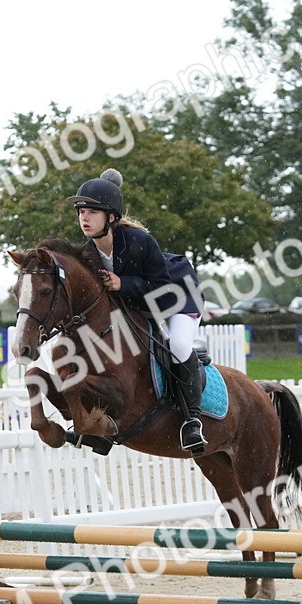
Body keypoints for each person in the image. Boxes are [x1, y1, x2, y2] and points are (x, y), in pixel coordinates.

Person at [67, 169, 207, 453]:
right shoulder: (89, 253)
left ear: (112, 217)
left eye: (93, 211)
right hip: (140, 304)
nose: (84, 217)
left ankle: (192, 421)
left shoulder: (139, 242)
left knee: (178, 345)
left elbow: (162, 290)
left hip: (177, 298)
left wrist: (124, 283)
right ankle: (102, 428)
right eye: (81, 211)